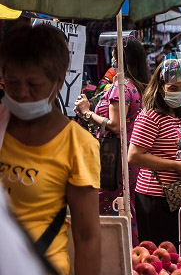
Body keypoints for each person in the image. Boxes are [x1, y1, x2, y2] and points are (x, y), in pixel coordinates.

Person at [0, 24, 101, 275]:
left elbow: (87, 236)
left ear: (58, 82)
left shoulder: (78, 144)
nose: (22, 93)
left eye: (34, 84)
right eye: (12, 83)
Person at [74, 36, 149, 244]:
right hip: (127, 157)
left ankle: (116, 253)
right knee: (127, 206)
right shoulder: (136, 86)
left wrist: (86, 112)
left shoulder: (121, 87)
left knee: (110, 207)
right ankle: (130, 254)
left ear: (118, 58)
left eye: (114, 54)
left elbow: (116, 125)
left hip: (114, 159)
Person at [128, 58, 181, 246]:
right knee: (160, 254)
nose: (179, 93)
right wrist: (175, 166)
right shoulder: (151, 116)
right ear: (161, 87)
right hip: (155, 198)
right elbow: (134, 155)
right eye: (173, 88)